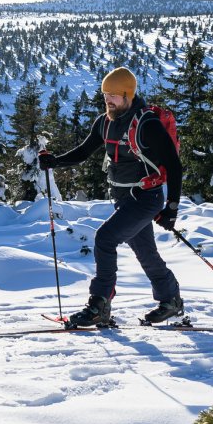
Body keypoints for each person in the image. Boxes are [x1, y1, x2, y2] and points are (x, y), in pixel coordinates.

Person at [38, 66, 182, 327]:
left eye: (114, 95)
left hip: (145, 197)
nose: (108, 100)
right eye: (105, 94)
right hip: (122, 197)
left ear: (128, 94)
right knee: (145, 251)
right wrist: (54, 162)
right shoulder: (105, 121)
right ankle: (170, 299)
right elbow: (83, 152)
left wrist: (171, 206)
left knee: (104, 239)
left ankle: (99, 304)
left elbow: (173, 164)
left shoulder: (147, 123)